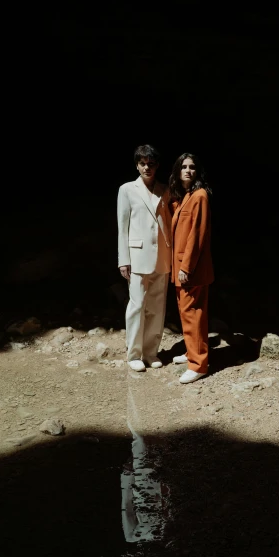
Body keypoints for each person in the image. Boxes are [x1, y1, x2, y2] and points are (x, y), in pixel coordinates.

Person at [117, 144, 172, 372]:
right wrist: (123, 259)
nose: (146, 167)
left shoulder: (165, 189)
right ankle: (134, 354)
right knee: (137, 305)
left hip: (162, 255)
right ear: (137, 165)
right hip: (137, 256)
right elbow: (122, 226)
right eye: (142, 163)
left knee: (157, 307)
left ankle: (151, 352)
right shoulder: (127, 189)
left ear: (157, 165)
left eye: (150, 163)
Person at [169, 153, 213, 383]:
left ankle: (198, 365)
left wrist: (186, 267)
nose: (188, 170)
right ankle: (192, 353)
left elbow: (197, 235)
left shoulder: (199, 196)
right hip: (183, 267)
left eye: (192, 167)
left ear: (198, 171)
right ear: (177, 171)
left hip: (191, 269)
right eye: (184, 167)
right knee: (188, 314)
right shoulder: (185, 196)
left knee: (193, 314)